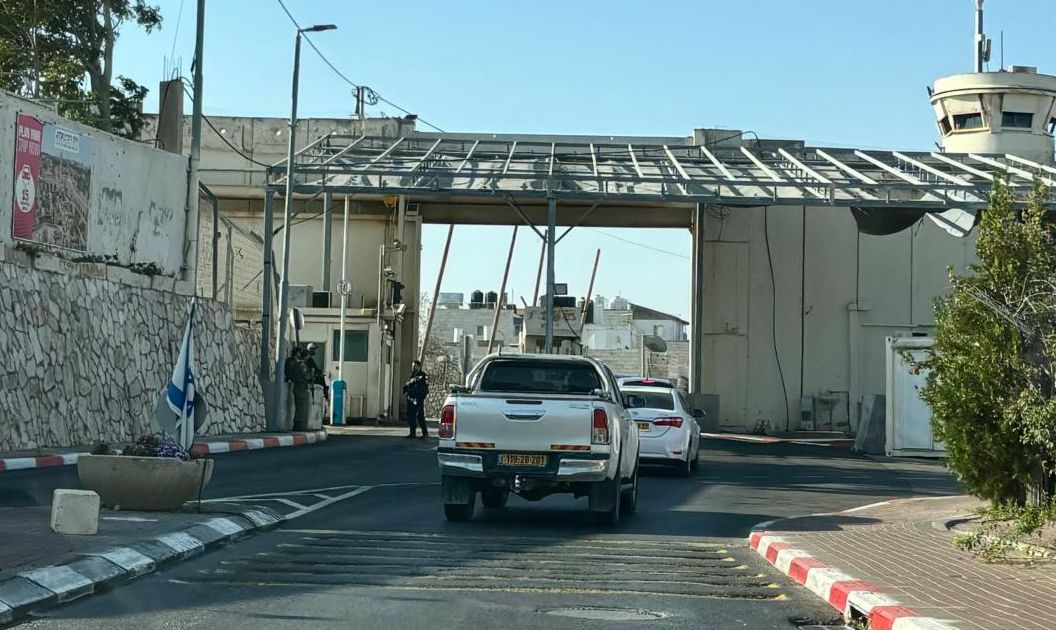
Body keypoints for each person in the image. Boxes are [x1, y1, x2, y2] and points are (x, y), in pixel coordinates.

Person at [403, 360, 430, 439]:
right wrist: (406, 393)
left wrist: (420, 398)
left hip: (418, 399)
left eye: (414, 366)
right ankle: (412, 433)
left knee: (420, 416)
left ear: (419, 366)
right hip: (411, 399)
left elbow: (425, 389)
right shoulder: (412, 376)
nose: (413, 367)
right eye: (412, 366)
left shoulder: (423, 376)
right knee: (411, 416)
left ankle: (425, 434)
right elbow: (407, 386)